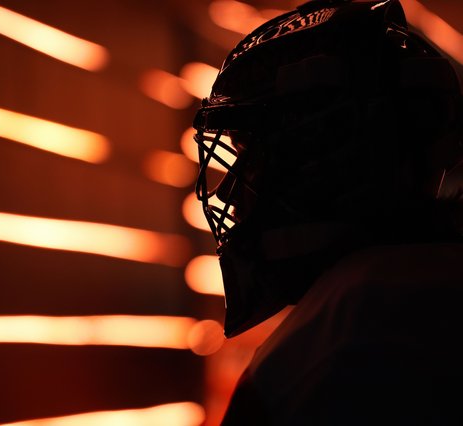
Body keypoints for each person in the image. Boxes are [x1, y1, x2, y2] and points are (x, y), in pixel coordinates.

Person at [192, 0, 463, 424]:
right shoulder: (435, 281)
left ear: (323, 155)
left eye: (248, 158)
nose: (228, 189)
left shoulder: (332, 348)